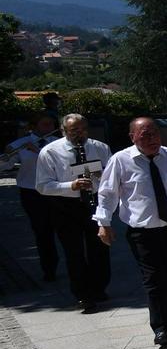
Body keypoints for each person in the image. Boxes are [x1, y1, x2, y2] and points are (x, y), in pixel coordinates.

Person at [94, 117, 167, 349]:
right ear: (132, 137)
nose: (152, 139)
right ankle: (160, 327)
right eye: (145, 135)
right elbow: (108, 194)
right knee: (154, 279)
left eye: (155, 133)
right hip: (143, 232)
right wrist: (103, 223)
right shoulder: (121, 160)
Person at [38, 114, 113, 311]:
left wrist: (99, 176)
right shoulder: (50, 152)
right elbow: (42, 186)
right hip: (65, 206)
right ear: (64, 132)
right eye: (74, 131)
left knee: (99, 247)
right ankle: (82, 293)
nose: (79, 135)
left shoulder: (100, 148)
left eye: (82, 130)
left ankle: (98, 287)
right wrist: (70, 185)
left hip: (93, 201)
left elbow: (111, 175)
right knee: (74, 251)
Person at [10, 113, 61, 283]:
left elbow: (58, 165)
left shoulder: (57, 143)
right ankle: (49, 268)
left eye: (51, 124)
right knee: (42, 232)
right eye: (45, 124)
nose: (48, 127)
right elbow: (6, 164)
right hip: (31, 192)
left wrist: (37, 151)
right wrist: (7, 156)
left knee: (63, 229)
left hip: (56, 191)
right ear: (34, 126)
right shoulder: (20, 144)